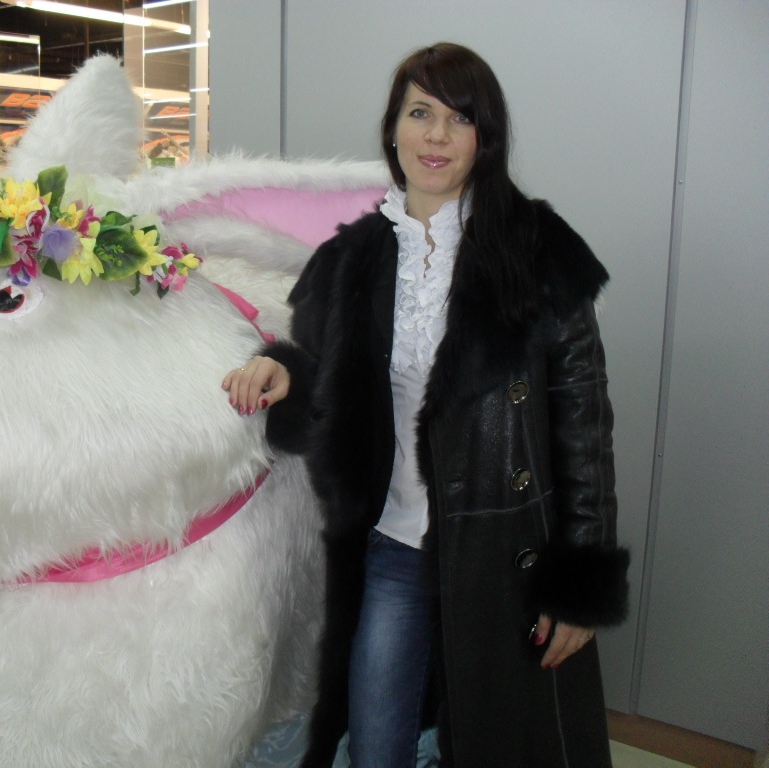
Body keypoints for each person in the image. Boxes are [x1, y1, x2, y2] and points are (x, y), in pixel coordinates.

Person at [222, 42, 629, 768]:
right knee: (375, 747)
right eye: (420, 113)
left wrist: (579, 583)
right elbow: (327, 379)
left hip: (507, 560)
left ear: (485, 138)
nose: (437, 136)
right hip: (395, 548)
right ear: (393, 129)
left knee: (501, 749)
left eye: (460, 118)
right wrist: (282, 369)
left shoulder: (538, 251)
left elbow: (584, 430)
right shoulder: (353, 259)